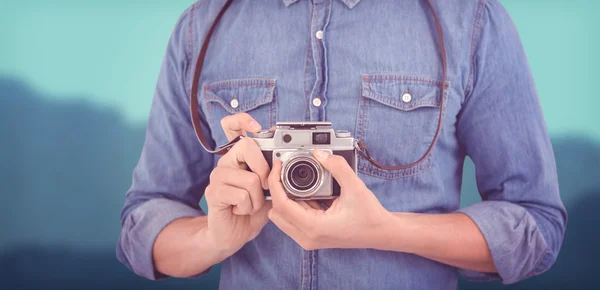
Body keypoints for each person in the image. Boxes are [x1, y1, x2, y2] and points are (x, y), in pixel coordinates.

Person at [116, 0, 567, 289]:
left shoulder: (471, 19)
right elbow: (144, 220)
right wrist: (211, 239)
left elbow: (535, 224)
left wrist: (386, 231)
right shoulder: (202, 27)